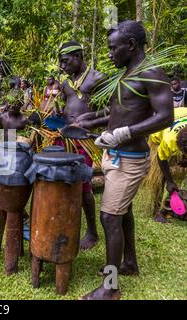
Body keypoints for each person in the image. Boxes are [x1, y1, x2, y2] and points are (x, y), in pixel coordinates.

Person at [80, 20, 173, 300]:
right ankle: (129, 263)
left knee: (109, 217)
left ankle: (110, 287)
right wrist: (94, 121)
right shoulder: (128, 73)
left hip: (130, 159)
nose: (109, 54)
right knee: (123, 212)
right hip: (115, 155)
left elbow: (165, 116)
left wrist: (124, 133)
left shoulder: (152, 72)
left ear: (131, 46)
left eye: (113, 48)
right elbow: (125, 112)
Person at [57, 41, 104, 250]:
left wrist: (88, 119)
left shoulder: (97, 78)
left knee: (84, 186)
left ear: (78, 56)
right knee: (64, 182)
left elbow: (110, 112)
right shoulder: (66, 83)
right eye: (61, 63)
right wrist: (59, 115)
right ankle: (68, 222)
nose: (62, 66)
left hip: (85, 140)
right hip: (65, 137)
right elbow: (67, 106)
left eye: (66, 61)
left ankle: (92, 231)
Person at [150, 107, 187, 223]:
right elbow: (161, 158)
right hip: (158, 135)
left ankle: (178, 203)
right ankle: (157, 212)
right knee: (159, 177)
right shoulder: (168, 141)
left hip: (182, 113)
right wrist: (170, 181)